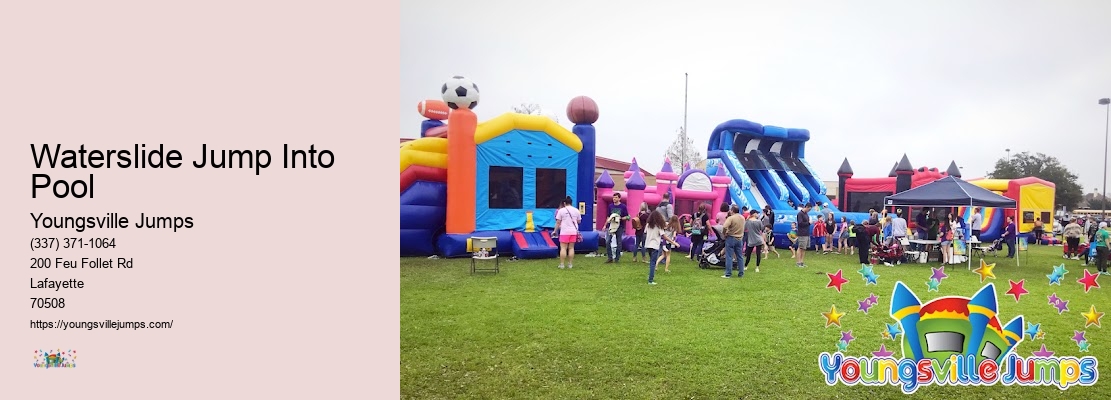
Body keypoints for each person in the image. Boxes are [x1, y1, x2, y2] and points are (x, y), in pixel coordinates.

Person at [554, 196, 581, 269]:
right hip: (573, 231)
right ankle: (570, 264)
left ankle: (562, 264)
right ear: (571, 203)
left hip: (564, 231)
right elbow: (579, 221)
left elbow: (558, 222)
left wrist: (555, 231)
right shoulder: (576, 210)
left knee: (563, 248)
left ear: (564, 203)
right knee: (571, 248)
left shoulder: (561, 210)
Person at [722, 205, 746, 278]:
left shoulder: (731, 218)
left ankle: (728, 273)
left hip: (731, 237)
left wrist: (724, 233)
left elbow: (724, 226)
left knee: (729, 256)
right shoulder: (742, 217)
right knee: (740, 256)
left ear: (732, 210)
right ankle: (741, 273)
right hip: (739, 238)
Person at [644, 211, 667, 285]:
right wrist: (673, 242)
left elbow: (645, 233)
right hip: (655, 246)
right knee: (653, 263)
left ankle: (650, 276)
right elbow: (663, 235)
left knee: (652, 262)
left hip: (648, 245)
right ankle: (650, 280)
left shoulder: (648, 225)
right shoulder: (659, 226)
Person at [605, 193, 629, 263]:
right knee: (607, 241)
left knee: (619, 242)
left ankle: (617, 258)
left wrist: (621, 218)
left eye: (616, 197)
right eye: (613, 197)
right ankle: (610, 257)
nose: (614, 199)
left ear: (619, 198)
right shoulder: (610, 206)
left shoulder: (623, 206)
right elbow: (608, 217)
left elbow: (627, 217)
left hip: (619, 226)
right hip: (611, 226)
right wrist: (605, 225)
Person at [795, 203, 812, 267]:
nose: (809, 211)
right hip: (802, 233)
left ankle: (802, 261)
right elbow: (800, 223)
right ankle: (798, 262)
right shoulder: (800, 214)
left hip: (806, 233)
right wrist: (808, 223)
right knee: (800, 247)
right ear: (806, 207)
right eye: (809, 209)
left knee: (804, 248)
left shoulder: (806, 214)